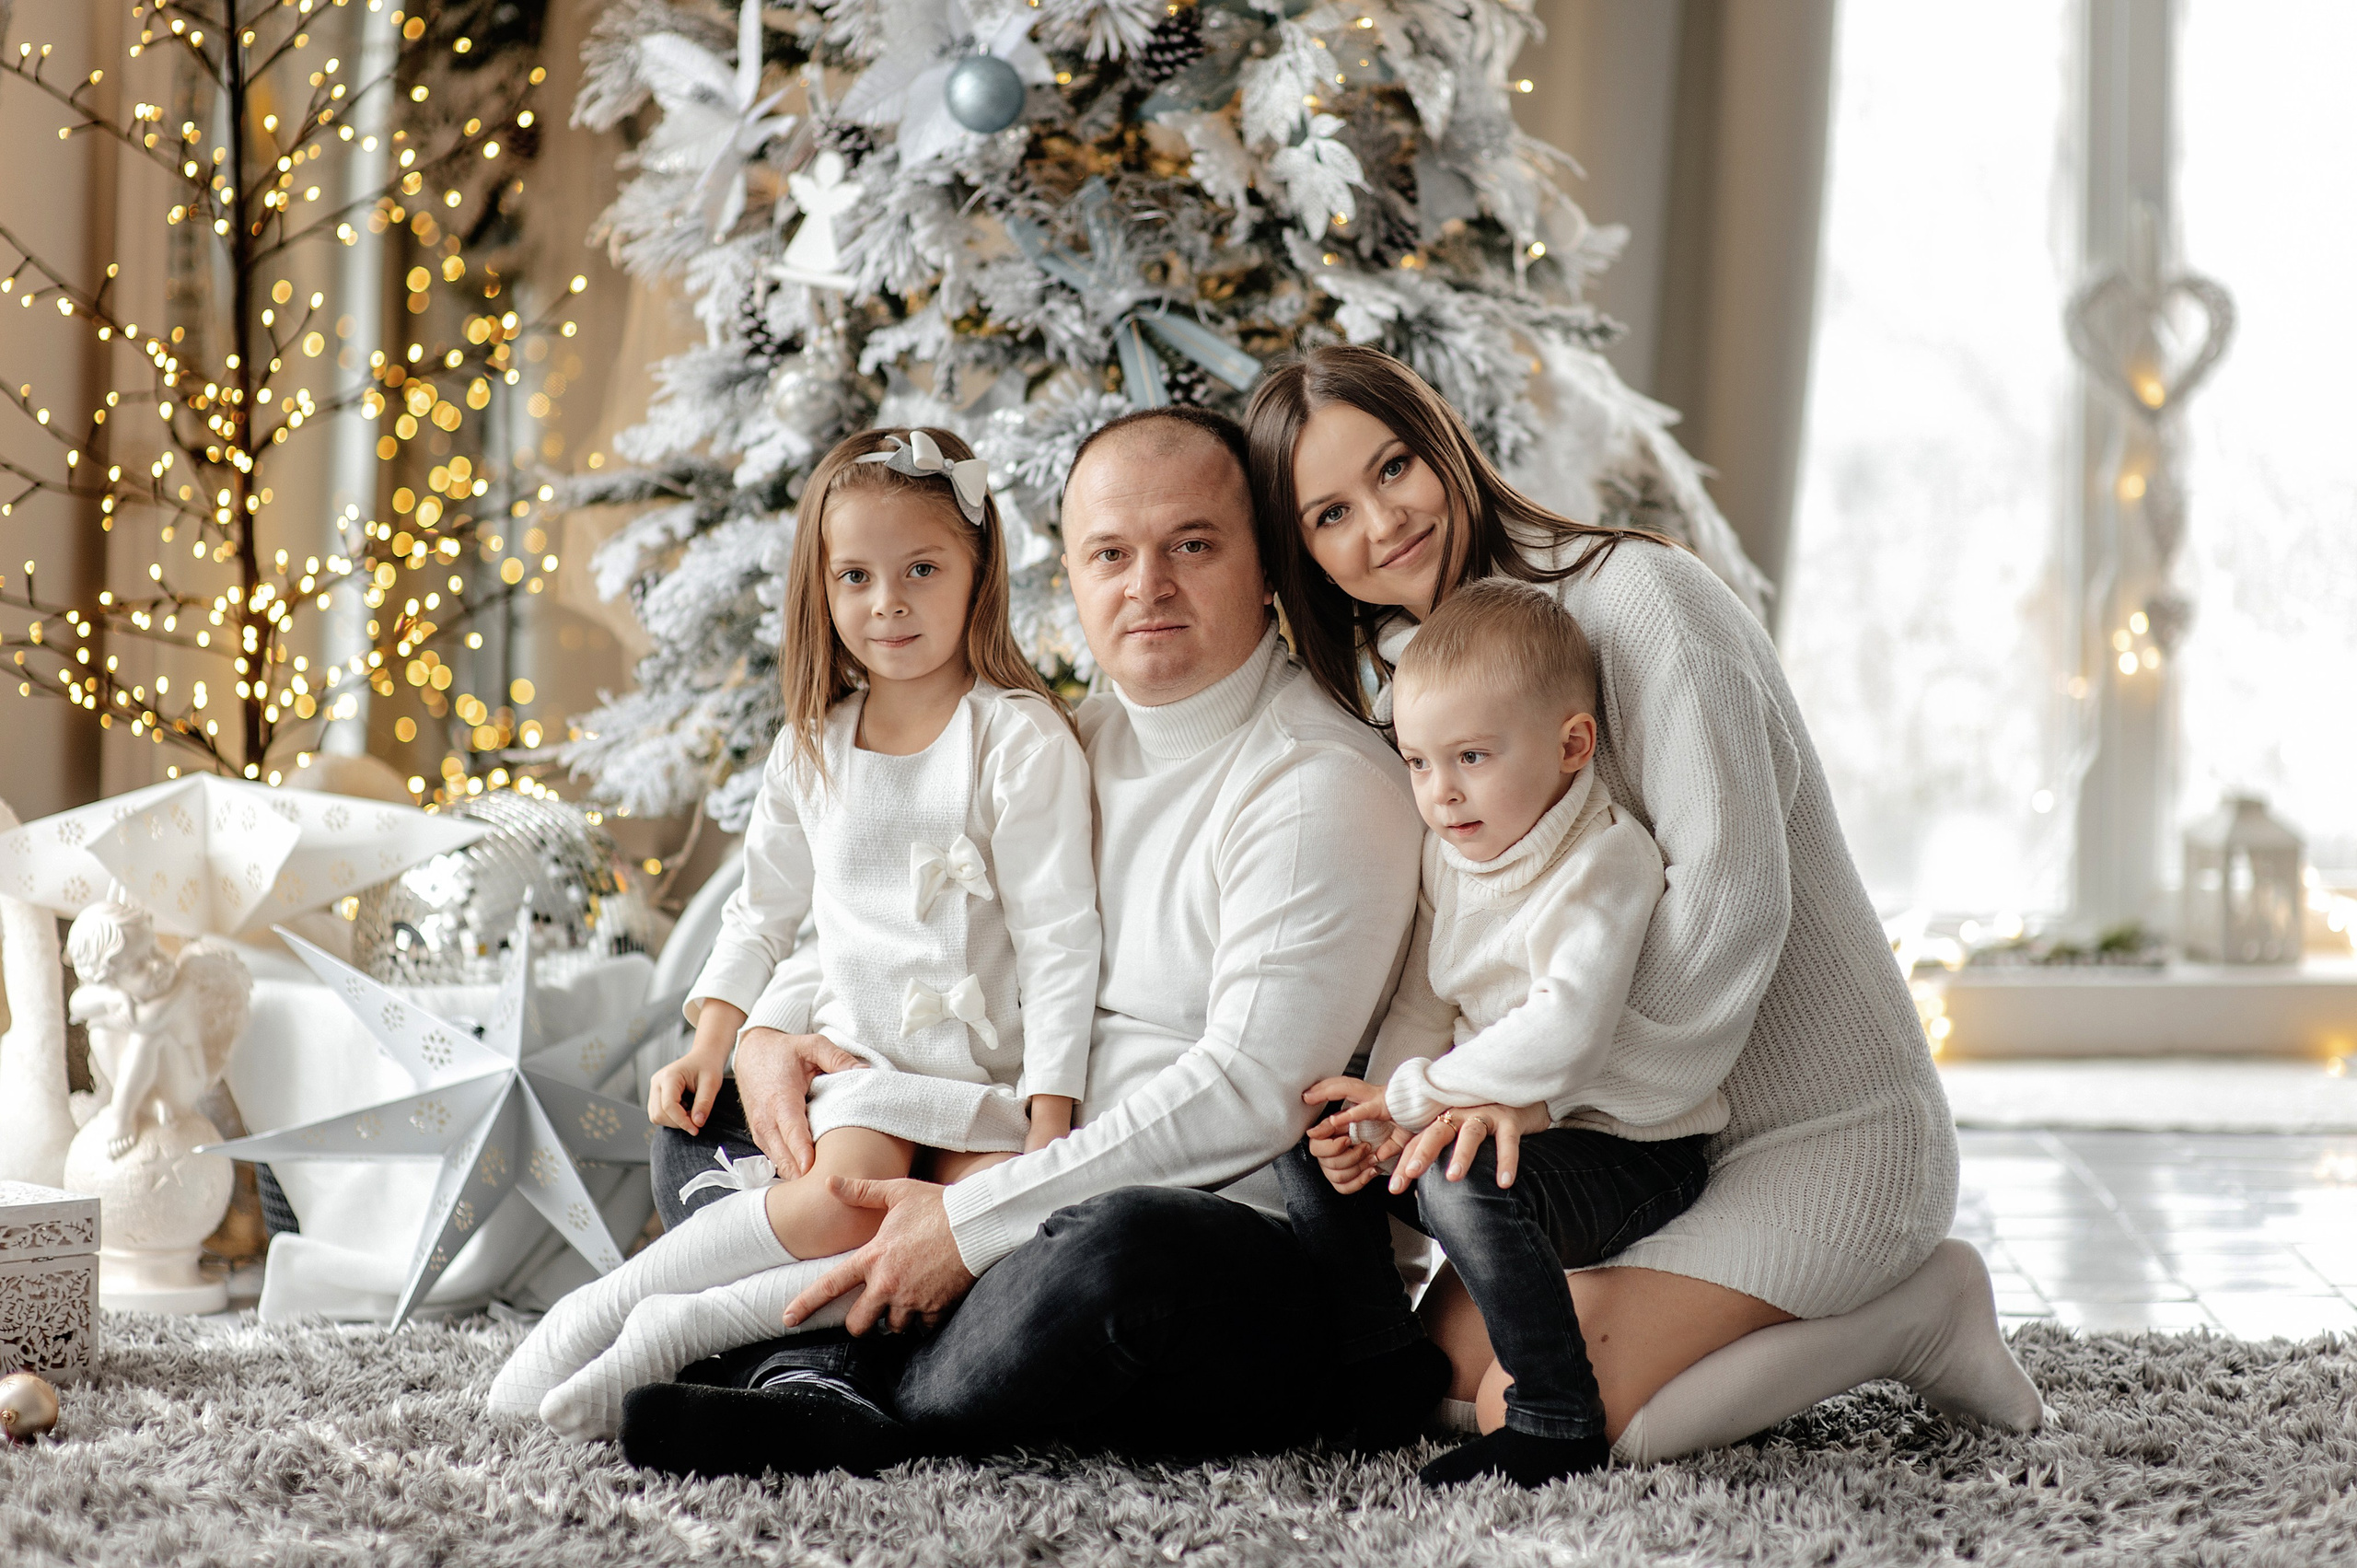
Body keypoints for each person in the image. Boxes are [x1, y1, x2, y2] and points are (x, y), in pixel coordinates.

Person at [1245, 343, 2045, 1464]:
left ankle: (1920, 1310)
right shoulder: (1426, 681)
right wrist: (1443, 1104)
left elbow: (1730, 917)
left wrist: (1520, 1093)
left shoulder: (1640, 602)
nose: (1382, 523)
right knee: (1447, 1377)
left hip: (1818, 1138)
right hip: (1627, 1149)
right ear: (1306, 556)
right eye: (1331, 514)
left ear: (1444, 444)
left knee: (1551, 1410)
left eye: (1393, 467)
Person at [612, 406, 1444, 1479]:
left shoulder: (1314, 783)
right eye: (1110, 553)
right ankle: (823, 1379)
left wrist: (970, 1221)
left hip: (1204, 1221)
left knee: (1118, 1258)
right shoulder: (1062, 737)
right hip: (996, 1154)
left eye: (1191, 545)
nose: (1147, 586)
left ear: (1269, 567)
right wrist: (771, 1031)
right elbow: (915, 922)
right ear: (1073, 577)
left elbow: (1247, 1092)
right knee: (710, 1109)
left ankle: (820, 1362)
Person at [486, 427, 1098, 1438]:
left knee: (983, 1235)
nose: (887, 602)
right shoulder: (813, 743)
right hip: (869, 1064)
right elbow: (760, 911)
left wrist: (1051, 1117)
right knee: (837, 1205)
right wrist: (712, 1040)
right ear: (821, 587)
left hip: (991, 1075)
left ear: (978, 571)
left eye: (921, 569)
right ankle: (611, 1304)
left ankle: (684, 1326)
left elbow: (1061, 939)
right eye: (855, 576)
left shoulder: (1019, 736)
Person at [1285, 577, 1711, 1488]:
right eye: (1418, 762)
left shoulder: (1605, 856)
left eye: (1471, 756)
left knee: (1457, 1171)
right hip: (1484, 1122)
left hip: (1626, 1150)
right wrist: (1378, 1116)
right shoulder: (1450, 853)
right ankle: (1381, 1360)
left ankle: (1557, 1414)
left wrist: (1415, 1099)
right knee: (1309, 1124)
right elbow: (1421, 1004)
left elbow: (1567, 1031)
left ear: (1572, 744)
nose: (1441, 793)